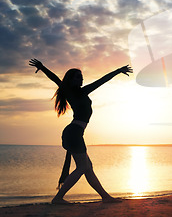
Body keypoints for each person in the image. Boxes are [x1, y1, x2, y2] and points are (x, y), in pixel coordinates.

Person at [28, 58, 132, 204]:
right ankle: (58, 198)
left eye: (82, 77)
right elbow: (57, 79)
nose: (81, 79)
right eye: (78, 77)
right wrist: (42, 67)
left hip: (75, 133)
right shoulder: (73, 92)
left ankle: (105, 197)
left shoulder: (81, 92)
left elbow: (100, 81)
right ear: (70, 80)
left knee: (87, 168)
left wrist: (118, 71)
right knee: (83, 167)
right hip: (74, 133)